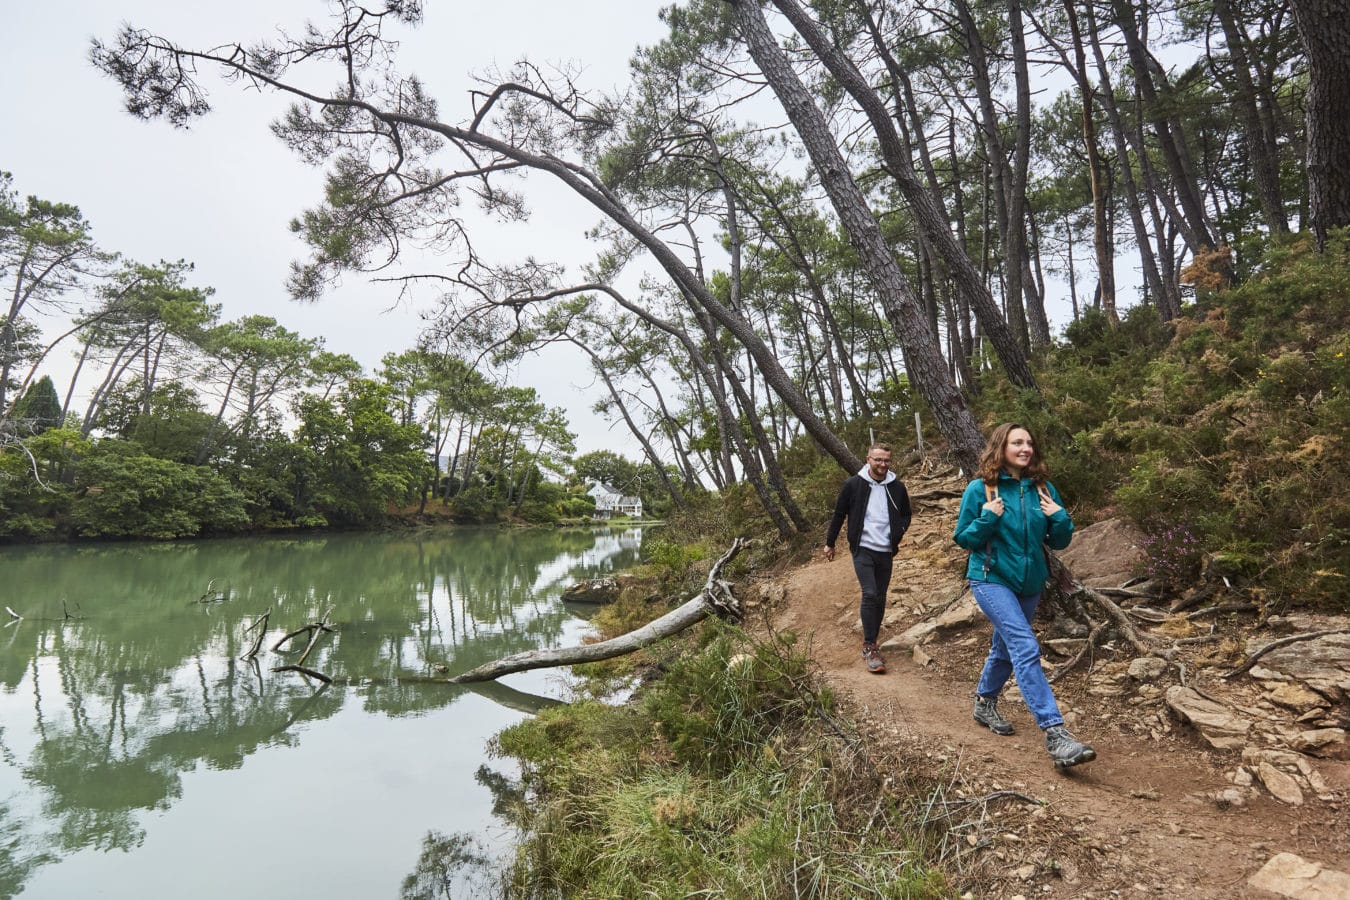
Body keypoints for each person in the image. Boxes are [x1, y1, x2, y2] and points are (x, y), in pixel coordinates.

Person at [953, 423, 1096, 769]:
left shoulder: (1043, 489)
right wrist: (987, 520)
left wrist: (1060, 518)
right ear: (1001, 447)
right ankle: (1056, 733)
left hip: (1030, 583)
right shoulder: (981, 489)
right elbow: (963, 538)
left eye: (1029, 443)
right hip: (991, 579)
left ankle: (984, 703)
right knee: (1025, 645)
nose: (1025, 448)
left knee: (1004, 648)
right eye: (1017, 442)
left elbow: (1060, 541)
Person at [823, 443, 912, 674]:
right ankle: (869, 646)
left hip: (886, 550)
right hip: (863, 548)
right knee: (870, 593)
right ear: (868, 459)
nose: (882, 465)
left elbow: (906, 513)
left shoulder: (897, 487)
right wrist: (829, 543)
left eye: (886, 461)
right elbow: (839, 513)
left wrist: (899, 531)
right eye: (878, 460)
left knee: (881, 596)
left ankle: (873, 638)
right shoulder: (853, 484)